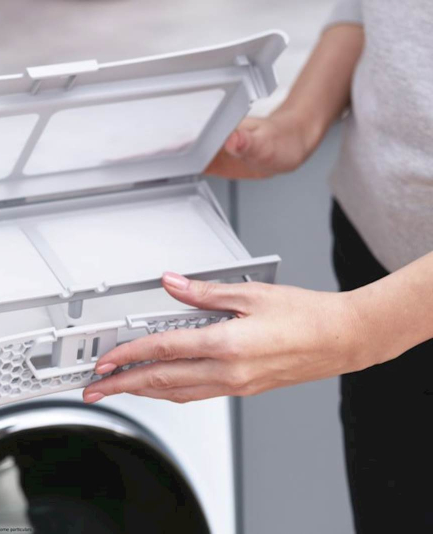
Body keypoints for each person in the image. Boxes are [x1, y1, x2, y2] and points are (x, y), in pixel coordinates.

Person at [82, 1, 433, 532]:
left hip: (379, 314)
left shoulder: (364, 325)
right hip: (371, 246)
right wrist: (298, 122)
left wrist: (363, 327)